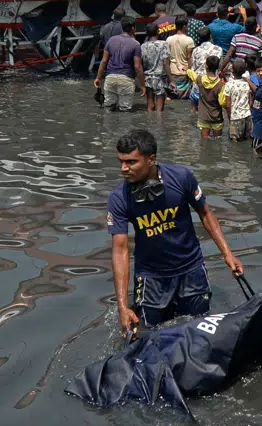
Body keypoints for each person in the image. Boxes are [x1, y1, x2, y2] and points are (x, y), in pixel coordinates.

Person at [106, 129, 244, 333]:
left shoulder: (182, 177)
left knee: (201, 330)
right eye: (121, 162)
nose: (124, 168)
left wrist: (228, 255)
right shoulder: (119, 197)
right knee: (148, 335)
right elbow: (120, 250)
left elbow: (205, 213)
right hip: (151, 278)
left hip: (191, 271)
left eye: (131, 162)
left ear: (151, 160)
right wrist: (122, 307)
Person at [94, 22, 143, 112]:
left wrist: (98, 78)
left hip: (110, 78)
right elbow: (137, 66)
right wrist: (142, 85)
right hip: (126, 79)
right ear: (133, 28)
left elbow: (104, 61)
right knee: (125, 111)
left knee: (108, 108)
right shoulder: (135, 44)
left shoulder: (111, 40)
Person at [190, 55, 225, 139]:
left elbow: (191, 73)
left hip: (204, 117)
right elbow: (222, 103)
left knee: (204, 141)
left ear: (206, 66)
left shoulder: (200, 80)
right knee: (217, 140)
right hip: (216, 118)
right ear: (217, 67)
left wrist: (187, 69)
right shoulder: (220, 85)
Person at [222, 58, 253, 143]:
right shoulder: (246, 84)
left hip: (235, 118)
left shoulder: (229, 85)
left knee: (234, 141)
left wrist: (230, 117)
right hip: (247, 116)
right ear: (244, 71)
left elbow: (228, 104)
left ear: (232, 71)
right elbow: (250, 102)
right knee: (247, 139)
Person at [140, 28, 170, 112]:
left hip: (148, 78)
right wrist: (171, 80)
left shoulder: (143, 46)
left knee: (150, 105)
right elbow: (166, 64)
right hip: (160, 78)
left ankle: (149, 119)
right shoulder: (164, 44)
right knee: (159, 109)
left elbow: (141, 64)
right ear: (157, 32)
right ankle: (158, 120)